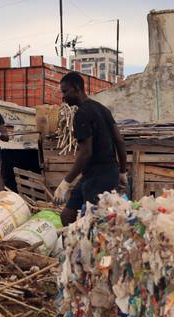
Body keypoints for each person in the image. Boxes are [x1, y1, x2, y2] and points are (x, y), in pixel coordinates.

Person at [53, 72, 128, 226]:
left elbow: (86, 152)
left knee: (94, 223)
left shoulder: (82, 114)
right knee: (67, 215)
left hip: (98, 177)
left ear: (77, 88)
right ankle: (71, 248)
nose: (63, 97)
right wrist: (122, 171)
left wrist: (66, 182)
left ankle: (89, 247)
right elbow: (119, 141)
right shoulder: (103, 109)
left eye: (65, 91)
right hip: (97, 174)